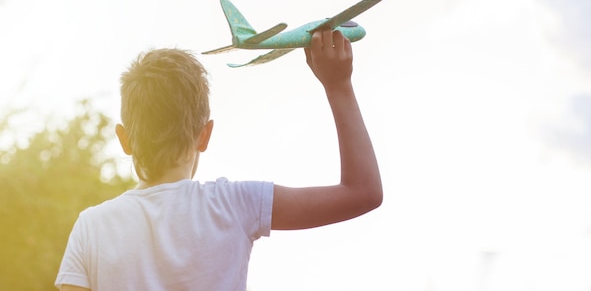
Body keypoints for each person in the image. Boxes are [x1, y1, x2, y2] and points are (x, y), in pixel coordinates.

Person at [55, 28, 383, 291]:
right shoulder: (235, 204)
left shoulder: (91, 227)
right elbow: (363, 193)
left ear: (124, 139)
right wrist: (338, 85)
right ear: (205, 134)